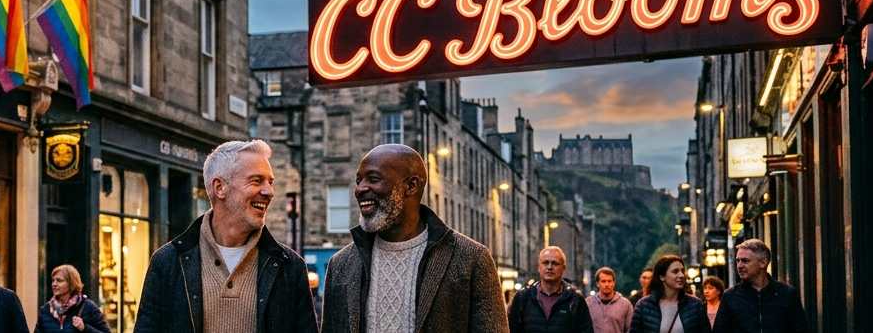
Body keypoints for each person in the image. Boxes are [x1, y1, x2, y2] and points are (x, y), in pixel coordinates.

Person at [133, 139, 315, 333]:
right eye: (256, 180)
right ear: (220, 188)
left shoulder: (290, 267)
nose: (269, 192)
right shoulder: (167, 262)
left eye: (270, 182)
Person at [323, 144, 509, 333]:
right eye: (358, 181)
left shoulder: (471, 258)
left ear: (411, 185)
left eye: (373, 179)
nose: (360, 189)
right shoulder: (340, 265)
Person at [711, 239, 807, 333]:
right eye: (738, 261)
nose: (739, 266)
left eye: (745, 261)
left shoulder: (787, 294)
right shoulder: (730, 296)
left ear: (763, 262)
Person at [507, 246, 593, 333]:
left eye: (555, 263)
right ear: (539, 267)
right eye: (545, 263)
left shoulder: (575, 299)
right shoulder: (523, 297)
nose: (549, 267)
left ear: (563, 268)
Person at [629, 255, 707, 333]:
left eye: (682, 271)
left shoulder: (695, 305)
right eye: (675, 271)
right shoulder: (644, 305)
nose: (681, 275)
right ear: (662, 277)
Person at [35, 264, 110, 333]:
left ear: (71, 283)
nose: (54, 284)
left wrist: (85, 328)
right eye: (53, 280)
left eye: (59, 280)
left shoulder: (88, 307)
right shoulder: (45, 310)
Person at [586, 267, 633, 333]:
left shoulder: (625, 305)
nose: (607, 284)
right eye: (603, 281)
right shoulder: (588, 303)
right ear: (597, 283)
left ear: (614, 283)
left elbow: (630, 329)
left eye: (609, 281)